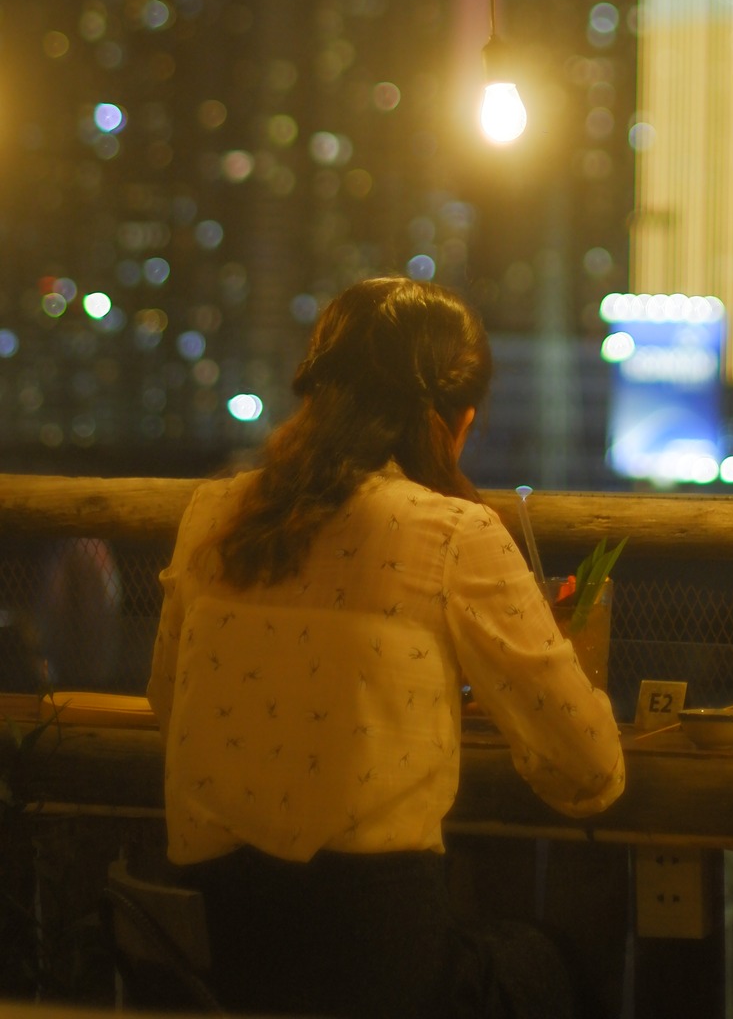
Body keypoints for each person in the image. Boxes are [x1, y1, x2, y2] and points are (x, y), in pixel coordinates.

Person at [148, 277, 624, 1019]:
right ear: (456, 422)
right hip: (375, 967)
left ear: (317, 395)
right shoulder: (454, 532)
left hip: (219, 959)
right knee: (552, 962)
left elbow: (166, 700)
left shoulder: (213, 511)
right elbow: (589, 767)